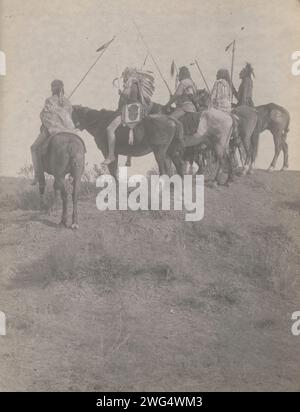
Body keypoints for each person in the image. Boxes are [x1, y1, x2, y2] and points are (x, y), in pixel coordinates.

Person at [104, 67, 154, 165]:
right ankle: (129, 157)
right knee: (129, 131)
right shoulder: (138, 84)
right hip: (138, 110)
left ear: (128, 74)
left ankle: (111, 156)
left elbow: (125, 96)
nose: (124, 77)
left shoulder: (130, 83)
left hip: (129, 110)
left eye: (125, 75)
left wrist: (121, 93)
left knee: (110, 129)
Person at [31, 79, 75, 185]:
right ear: (62, 88)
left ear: (52, 89)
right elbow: (70, 116)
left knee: (34, 148)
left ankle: (38, 176)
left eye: (52, 87)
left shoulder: (49, 100)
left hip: (53, 129)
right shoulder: (68, 102)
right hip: (68, 130)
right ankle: (73, 173)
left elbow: (44, 115)